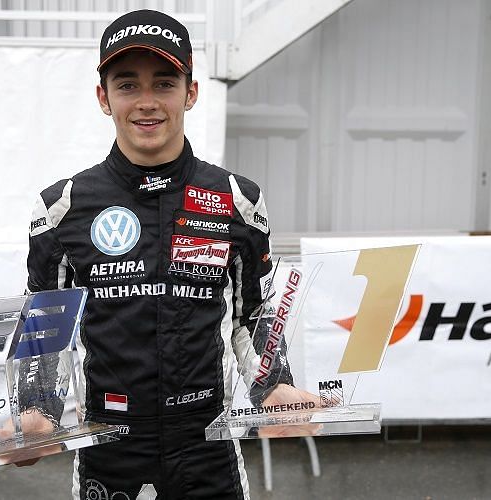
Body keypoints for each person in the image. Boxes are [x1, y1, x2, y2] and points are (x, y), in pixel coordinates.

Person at [24, 9, 317, 499]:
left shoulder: (236, 198)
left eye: (163, 83)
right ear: (104, 98)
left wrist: (274, 388)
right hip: (110, 448)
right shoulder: (61, 207)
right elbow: (45, 331)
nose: (146, 103)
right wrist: (36, 412)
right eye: (127, 85)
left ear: (191, 92)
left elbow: (255, 313)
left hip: (206, 448)